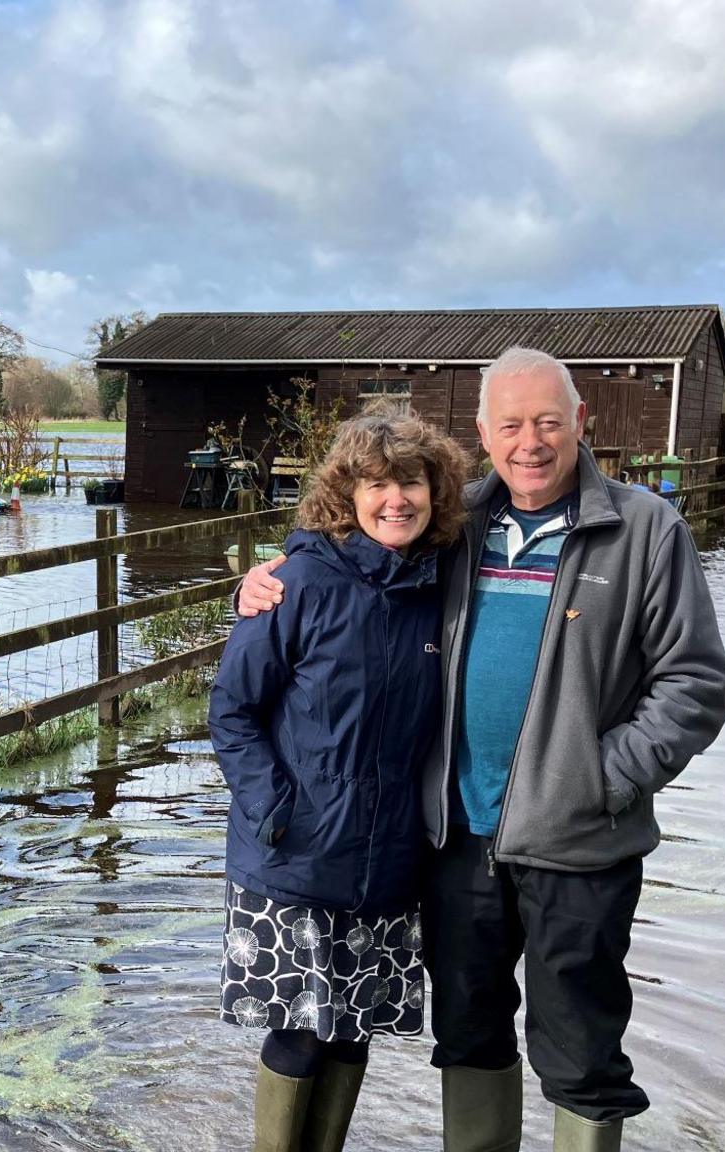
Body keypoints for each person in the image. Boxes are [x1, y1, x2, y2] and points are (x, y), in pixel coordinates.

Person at [237, 347, 725, 1152]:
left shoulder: (645, 530)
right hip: (456, 842)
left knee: (582, 1056)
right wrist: (261, 583)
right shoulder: (450, 522)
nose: (529, 442)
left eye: (547, 422)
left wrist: (603, 779)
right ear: (482, 433)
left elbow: (696, 685)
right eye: (511, 424)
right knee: (468, 1034)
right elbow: (344, 562)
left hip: (581, 844)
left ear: (580, 422)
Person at [211, 410, 470, 1152]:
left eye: (411, 482)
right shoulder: (296, 585)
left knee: (353, 1031)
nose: (396, 500)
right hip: (294, 853)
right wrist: (274, 807)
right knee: (299, 1035)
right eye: (377, 484)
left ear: (436, 490)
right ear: (346, 495)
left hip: (388, 859)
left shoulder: (441, 581)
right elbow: (232, 709)